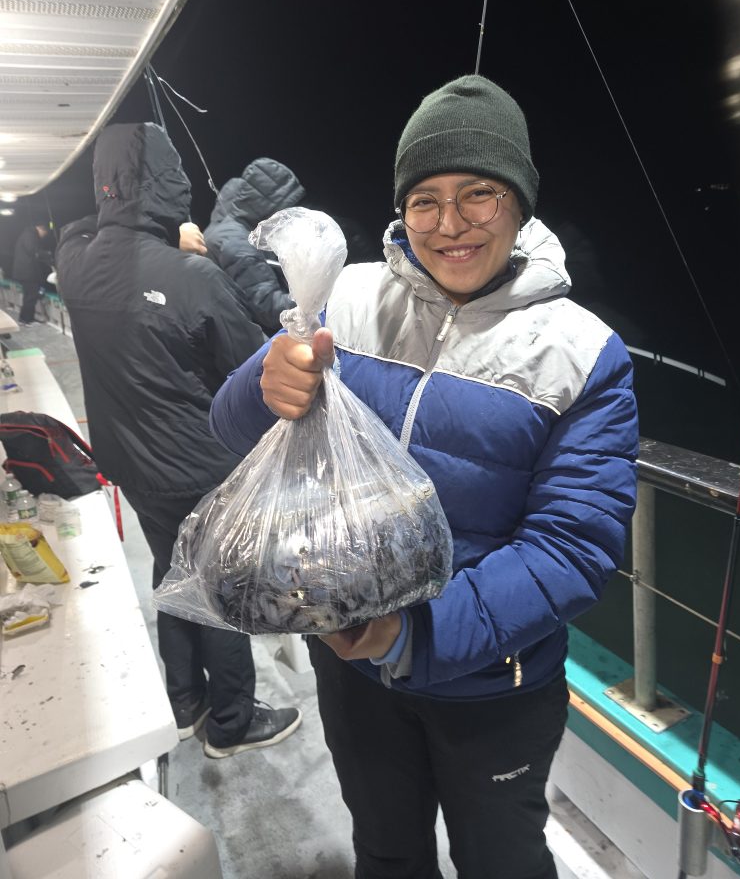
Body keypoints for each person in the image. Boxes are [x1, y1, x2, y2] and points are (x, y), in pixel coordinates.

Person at [208, 75, 639, 877]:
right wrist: (263, 386)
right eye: (425, 200)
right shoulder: (343, 297)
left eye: (478, 193)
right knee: (385, 852)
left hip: (494, 684)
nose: (449, 224)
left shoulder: (582, 352)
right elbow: (233, 433)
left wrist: (419, 635)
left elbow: (574, 547)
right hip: (351, 664)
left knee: (502, 862)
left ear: (519, 202)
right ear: (402, 209)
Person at [56, 122, 302, 759]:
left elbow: (77, 229)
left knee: (173, 571)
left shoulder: (74, 264)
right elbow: (256, 369)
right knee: (218, 585)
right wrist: (178, 243)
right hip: (199, 469)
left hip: (129, 464)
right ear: (171, 186)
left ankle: (185, 699)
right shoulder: (194, 276)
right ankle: (232, 722)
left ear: (104, 186)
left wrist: (141, 223)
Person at [204, 157, 304, 334]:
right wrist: (319, 297)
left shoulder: (236, 230)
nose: (287, 218)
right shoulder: (237, 244)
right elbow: (270, 309)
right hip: (246, 338)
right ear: (268, 205)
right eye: (285, 209)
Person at [12, 218, 53, 324]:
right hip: (27, 273)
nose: (43, 236)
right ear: (41, 229)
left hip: (26, 273)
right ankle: (26, 319)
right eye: (44, 233)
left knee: (29, 296)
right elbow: (34, 251)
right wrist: (48, 254)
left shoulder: (29, 234)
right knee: (31, 296)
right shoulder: (30, 235)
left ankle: (26, 317)